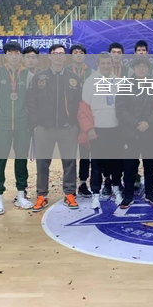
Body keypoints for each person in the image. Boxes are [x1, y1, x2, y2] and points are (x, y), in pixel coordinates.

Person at [26, 44, 81, 212]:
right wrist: (37, 124)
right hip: (45, 128)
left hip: (67, 128)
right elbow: (31, 101)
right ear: (49, 56)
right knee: (43, 163)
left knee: (69, 163)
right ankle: (41, 195)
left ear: (65, 57)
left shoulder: (73, 78)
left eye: (61, 54)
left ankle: (70, 193)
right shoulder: (39, 77)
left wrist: (74, 123)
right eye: (55, 53)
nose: (58, 56)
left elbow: (79, 102)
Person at [0, 42, 34, 215]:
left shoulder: (28, 75)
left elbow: (31, 101)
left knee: (21, 161)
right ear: (5, 55)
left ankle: (21, 195)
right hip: (2, 125)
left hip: (22, 125)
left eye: (16, 53)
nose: (14, 56)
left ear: (20, 56)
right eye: (10, 53)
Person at [78, 52, 124, 209]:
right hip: (97, 130)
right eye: (103, 63)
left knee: (116, 163)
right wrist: (89, 129)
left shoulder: (118, 81)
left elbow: (123, 106)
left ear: (112, 64)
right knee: (97, 164)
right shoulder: (90, 82)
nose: (106, 66)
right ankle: (96, 194)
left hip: (116, 130)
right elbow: (84, 109)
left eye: (108, 63)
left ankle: (116, 189)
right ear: (98, 64)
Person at [116, 57, 153, 208]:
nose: (141, 69)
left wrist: (148, 122)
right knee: (129, 166)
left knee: (150, 166)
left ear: (148, 69)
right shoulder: (125, 85)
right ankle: (128, 195)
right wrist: (136, 123)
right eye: (138, 66)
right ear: (133, 69)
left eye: (144, 66)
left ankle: (150, 192)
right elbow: (120, 110)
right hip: (130, 133)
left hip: (150, 132)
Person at [66, 44, 94, 198]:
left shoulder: (92, 73)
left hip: (86, 118)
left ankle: (83, 183)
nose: (78, 54)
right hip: (69, 118)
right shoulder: (65, 72)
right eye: (75, 52)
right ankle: (69, 186)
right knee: (69, 154)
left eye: (81, 52)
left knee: (85, 152)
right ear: (71, 56)